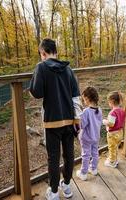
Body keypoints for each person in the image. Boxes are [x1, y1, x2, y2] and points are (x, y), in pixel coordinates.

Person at [30, 38, 82, 200]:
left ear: (43, 53)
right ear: (56, 53)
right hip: (69, 120)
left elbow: (36, 93)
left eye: (41, 55)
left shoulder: (41, 67)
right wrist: (77, 120)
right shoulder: (68, 69)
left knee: (53, 157)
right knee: (69, 154)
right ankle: (66, 185)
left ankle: (53, 192)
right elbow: (76, 96)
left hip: (52, 121)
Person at [76, 87, 102, 181]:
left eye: (84, 99)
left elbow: (82, 125)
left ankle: (83, 173)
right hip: (96, 137)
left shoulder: (86, 111)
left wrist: (80, 117)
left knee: (86, 155)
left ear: (87, 98)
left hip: (86, 137)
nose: (84, 101)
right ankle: (93, 169)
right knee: (95, 152)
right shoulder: (99, 109)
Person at [103, 91, 126, 168]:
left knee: (112, 147)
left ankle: (112, 162)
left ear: (112, 101)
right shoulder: (122, 111)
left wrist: (104, 121)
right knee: (116, 147)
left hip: (113, 134)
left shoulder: (112, 113)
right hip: (120, 132)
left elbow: (111, 124)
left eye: (109, 102)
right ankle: (114, 159)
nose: (108, 104)